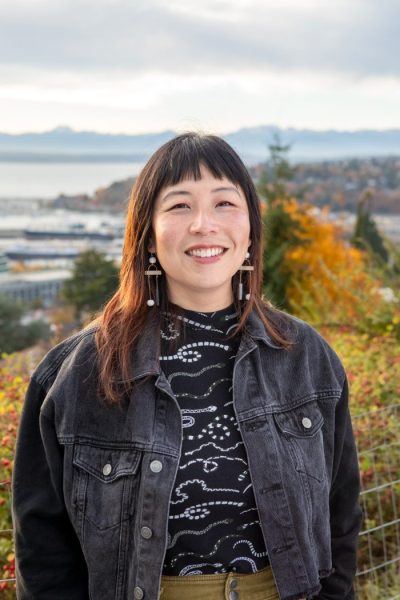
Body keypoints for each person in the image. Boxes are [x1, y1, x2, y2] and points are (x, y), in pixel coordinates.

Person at [12, 132, 362, 600]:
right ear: (148, 234)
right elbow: (43, 553)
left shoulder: (305, 357)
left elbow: (342, 517)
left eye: (224, 203)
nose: (203, 224)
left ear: (250, 229)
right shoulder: (77, 375)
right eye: (179, 206)